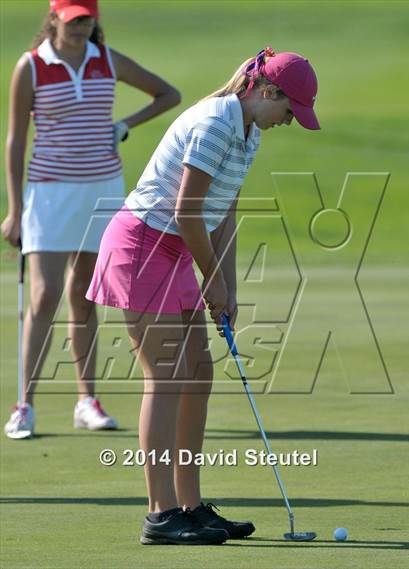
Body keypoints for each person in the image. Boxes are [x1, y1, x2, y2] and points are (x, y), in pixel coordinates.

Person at [86, 47, 320, 545]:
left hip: (177, 246)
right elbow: (188, 210)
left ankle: (190, 506)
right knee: (167, 375)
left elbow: (223, 215)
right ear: (266, 91)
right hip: (143, 243)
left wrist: (228, 286)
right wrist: (211, 277)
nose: (290, 122)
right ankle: (160, 514)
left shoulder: (249, 132)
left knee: (199, 372)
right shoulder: (215, 123)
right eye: (290, 111)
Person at [2, 0, 181, 439]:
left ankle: (87, 400)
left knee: (84, 296)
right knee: (44, 296)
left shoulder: (106, 59)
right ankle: (24, 404)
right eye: (73, 19)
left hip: (101, 191)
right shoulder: (32, 66)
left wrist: (125, 125)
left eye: (87, 19)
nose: (81, 26)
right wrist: (13, 209)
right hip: (48, 193)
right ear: (54, 19)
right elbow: (15, 143)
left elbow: (168, 94)